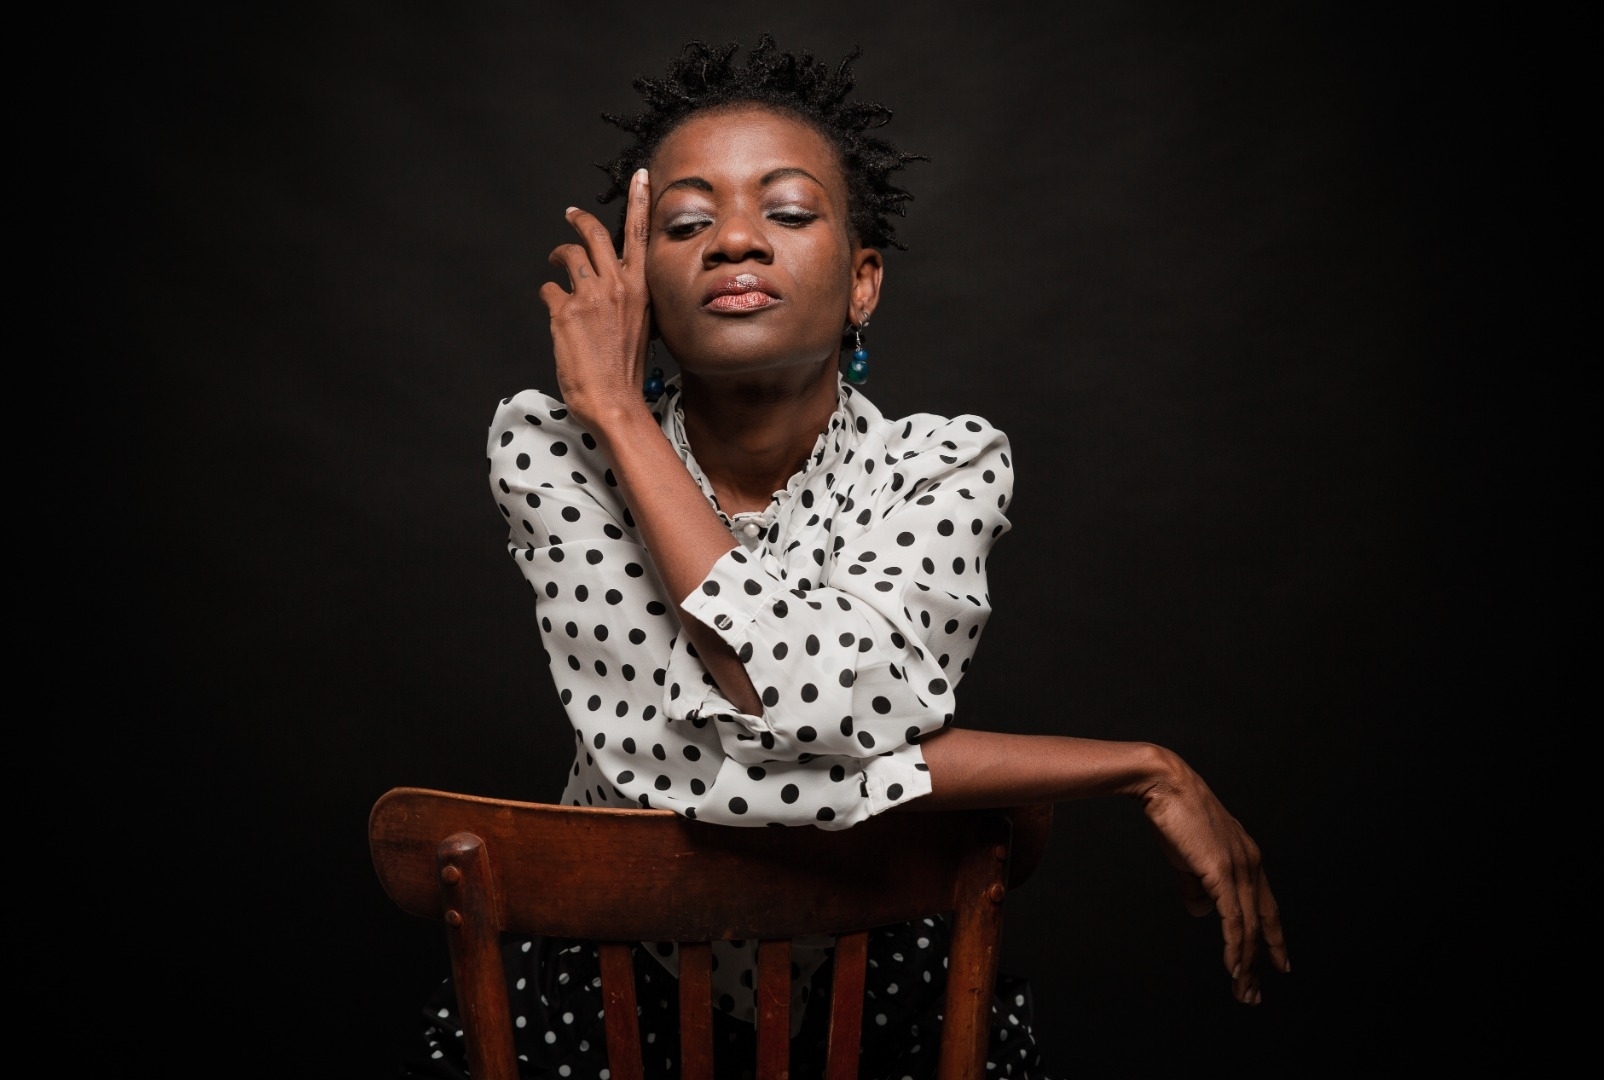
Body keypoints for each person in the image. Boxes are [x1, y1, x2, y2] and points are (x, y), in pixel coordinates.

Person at [405, 33, 1287, 1080]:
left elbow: (808, 712)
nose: (736, 240)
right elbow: (687, 773)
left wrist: (1138, 766)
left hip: (890, 999)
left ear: (864, 281)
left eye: (786, 212)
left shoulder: (944, 467)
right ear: (639, 287)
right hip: (602, 1001)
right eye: (686, 224)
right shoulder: (556, 451)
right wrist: (1126, 769)